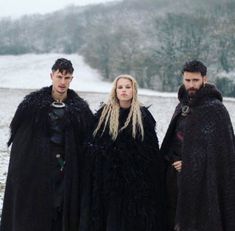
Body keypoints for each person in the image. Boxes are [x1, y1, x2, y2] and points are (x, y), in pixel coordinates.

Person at [0, 58, 94, 231]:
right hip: (37, 172)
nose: (62, 82)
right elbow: (22, 146)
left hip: (67, 173)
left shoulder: (80, 110)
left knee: (61, 216)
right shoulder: (32, 106)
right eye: (59, 77)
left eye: (67, 78)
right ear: (51, 76)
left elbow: (87, 145)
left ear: (72, 79)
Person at [79, 74, 166, 231]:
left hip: (135, 184)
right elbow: (93, 144)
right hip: (109, 182)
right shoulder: (104, 115)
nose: (124, 90)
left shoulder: (143, 117)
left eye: (128, 87)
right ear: (115, 91)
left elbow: (151, 152)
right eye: (120, 87)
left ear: (134, 90)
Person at [161, 60, 235, 231]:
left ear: (204, 79)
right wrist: (172, 159)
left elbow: (222, 153)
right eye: (187, 80)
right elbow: (172, 140)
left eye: (195, 80)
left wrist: (190, 163)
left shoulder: (215, 110)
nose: (191, 84)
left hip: (203, 183)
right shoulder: (182, 105)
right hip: (176, 178)